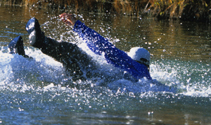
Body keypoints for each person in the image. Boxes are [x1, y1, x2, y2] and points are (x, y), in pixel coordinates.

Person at [9, 13, 152, 82]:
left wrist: (78, 26)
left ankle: (40, 43)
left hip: (93, 75)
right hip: (93, 84)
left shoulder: (130, 64)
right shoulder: (147, 80)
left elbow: (105, 48)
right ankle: (25, 60)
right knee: (57, 72)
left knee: (71, 51)